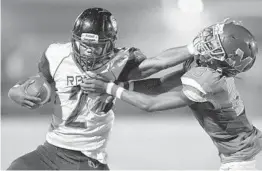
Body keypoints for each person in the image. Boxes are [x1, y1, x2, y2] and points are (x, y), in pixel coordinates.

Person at [7, 7, 201, 170]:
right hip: (50, 150)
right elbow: (39, 81)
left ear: (110, 45)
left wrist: (194, 48)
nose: (89, 51)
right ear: (74, 40)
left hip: (87, 159)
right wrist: (14, 92)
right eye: (84, 45)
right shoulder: (56, 55)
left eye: (96, 46)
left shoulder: (119, 62)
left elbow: (156, 64)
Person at [82, 19, 262, 171]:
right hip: (238, 150)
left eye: (214, 43)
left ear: (224, 58)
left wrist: (109, 88)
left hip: (240, 159)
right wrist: (120, 85)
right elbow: (159, 85)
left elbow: (151, 105)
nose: (207, 41)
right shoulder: (207, 67)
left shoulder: (210, 80)